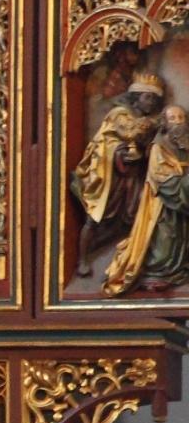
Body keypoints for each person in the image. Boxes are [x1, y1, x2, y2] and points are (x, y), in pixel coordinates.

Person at [71, 75, 165, 279]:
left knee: (142, 212)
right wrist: (156, 123)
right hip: (106, 174)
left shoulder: (148, 119)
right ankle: (83, 259)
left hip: (132, 176)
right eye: (147, 97)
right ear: (136, 97)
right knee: (94, 218)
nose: (151, 102)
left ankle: (134, 260)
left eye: (154, 99)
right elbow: (131, 132)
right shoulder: (119, 114)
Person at [104, 102, 189, 295]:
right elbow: (161, 175)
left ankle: (180, 270)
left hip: (184, 200)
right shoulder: (159, 146)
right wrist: (184, 183)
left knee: (183, 238)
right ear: (165, 123)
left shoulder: (186, 141)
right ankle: (158, 272)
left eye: (181, 117)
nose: (178, 122)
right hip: (164, 201)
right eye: (173, 118)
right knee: (165, 238)